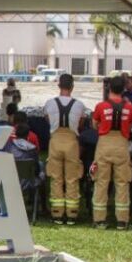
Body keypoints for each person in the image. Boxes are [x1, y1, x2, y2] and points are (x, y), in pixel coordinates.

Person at [91, 76, 132, 229]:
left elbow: (95, 123)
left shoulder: (101, 106)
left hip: (105, 143)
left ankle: (99, 219)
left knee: (101, 182)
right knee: (122, 183)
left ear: (109, 88)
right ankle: (122, 220)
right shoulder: (129, 107)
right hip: (122, 144)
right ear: (123, 89)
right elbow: (129, 125)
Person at [43, 73, 87, 225]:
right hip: (71, 142)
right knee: (72, 177)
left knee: (56, 177)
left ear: (59, 85)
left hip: (55, 140)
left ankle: (57, 213)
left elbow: (48, 120)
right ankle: (72, 214)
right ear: (72, 87)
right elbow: (81, 123)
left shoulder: (49, 103)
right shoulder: (79, 105)